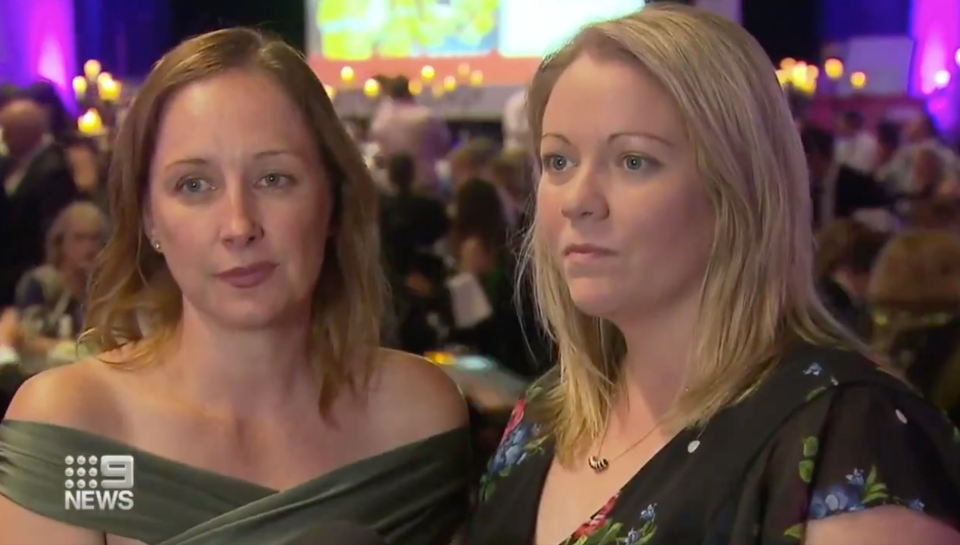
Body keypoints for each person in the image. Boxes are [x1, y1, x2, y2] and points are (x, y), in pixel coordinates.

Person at [467, 5, 960, 545]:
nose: (578, 201)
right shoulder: (544, 414)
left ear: (738, 188)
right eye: (558, 162)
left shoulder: (849, 432)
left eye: (633, 161)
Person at [0, 28, 469, 545]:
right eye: (194, 185)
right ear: (149, 218)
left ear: (332, 200)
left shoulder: (418, 415)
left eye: (274, 179)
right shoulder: (76, 427)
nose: (239, 225)